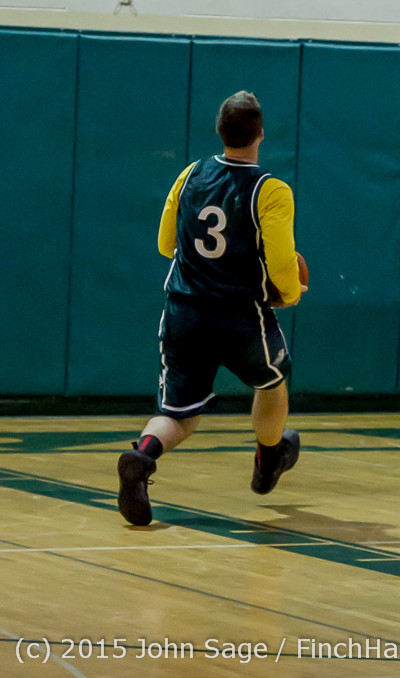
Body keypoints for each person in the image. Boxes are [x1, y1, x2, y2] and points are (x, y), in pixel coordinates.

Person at [117, 91, 306, 527]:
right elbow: (280, 261)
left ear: (220, 132)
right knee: (273, 378)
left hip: (184, 310)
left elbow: (168, 245)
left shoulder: (189, 175)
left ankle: (141, 459)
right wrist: (290, 292)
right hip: (240, 315)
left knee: (179, 417)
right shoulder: (270, 190)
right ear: (261, 133)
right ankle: (268, 459)